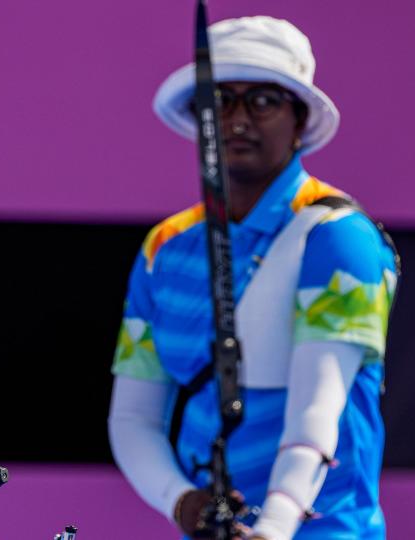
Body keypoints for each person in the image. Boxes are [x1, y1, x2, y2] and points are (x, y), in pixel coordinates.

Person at [108, 16, 398, 540]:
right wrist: (180, 501)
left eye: (262, 100)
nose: (237, 118)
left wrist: (274, 527)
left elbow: (319, 407)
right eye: (218, 100)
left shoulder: (337, 238)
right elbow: (133, 417)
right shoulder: (164, 248)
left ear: (300, 118)